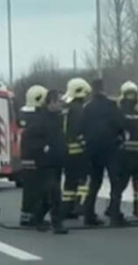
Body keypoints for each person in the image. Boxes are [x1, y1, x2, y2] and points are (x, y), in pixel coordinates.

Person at [80, 78, 126, 227]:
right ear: (103, 88)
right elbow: (120, 124)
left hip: (92, 150)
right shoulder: (112, 106)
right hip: (110, 149)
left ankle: (88, 215)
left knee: (94, 183)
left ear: (92, 90)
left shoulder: (87, 108)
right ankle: (114, 215)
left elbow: (80, 128)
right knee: (115, 182)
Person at [27, 89, 69, 234]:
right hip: (45, 162)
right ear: (51, 102)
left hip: (57, 161)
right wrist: (42, 148)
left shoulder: (58, 118)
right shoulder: (40, 120)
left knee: (47, 194)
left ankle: (37, 218)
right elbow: (30, 139)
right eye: (59, 101)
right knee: (55, 191)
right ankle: (57, 223)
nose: (61, 104)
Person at [113, 81, 138, 217]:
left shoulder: (136, 113)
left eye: (133, 94)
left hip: (135, 154)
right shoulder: (119, 113)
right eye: (130, 94)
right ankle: (114, 209)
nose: (132, 97)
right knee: (121, 184)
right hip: (125, 155)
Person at [60, 78, 91, 219]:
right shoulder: (79, 110)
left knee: (69, 182)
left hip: (66, 152)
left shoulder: (66, 109)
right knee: (83, 180)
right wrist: (87, 146)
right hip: (78, 152)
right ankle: (80, 206)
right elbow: (80, 131)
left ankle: (66, 209)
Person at [18, 84, 48, 227]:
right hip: (37, 156)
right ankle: (35, 216)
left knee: (29, 188)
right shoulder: (39, 117)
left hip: (25, 156)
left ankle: (26, 215)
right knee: (38, 187)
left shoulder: (23, 114)